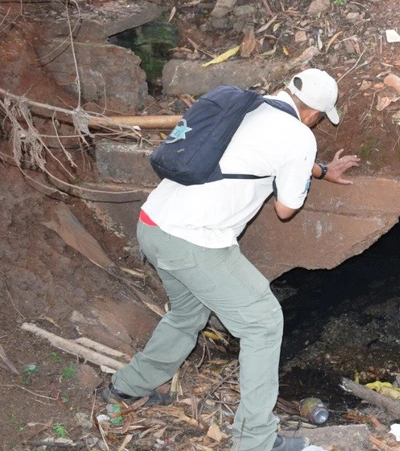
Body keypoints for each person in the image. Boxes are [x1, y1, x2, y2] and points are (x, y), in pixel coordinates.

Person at [104, 68, 360, 450]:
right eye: (320, 118)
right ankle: (256, 441)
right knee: (264, 322)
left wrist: (320, 170)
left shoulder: (245, 106)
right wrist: (306, 174)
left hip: (153, 224)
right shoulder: (300, 136)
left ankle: (129, 387)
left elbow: (255, 153)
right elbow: (286, 209)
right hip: (194, 241)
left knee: (187, 313)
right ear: (314, 114)